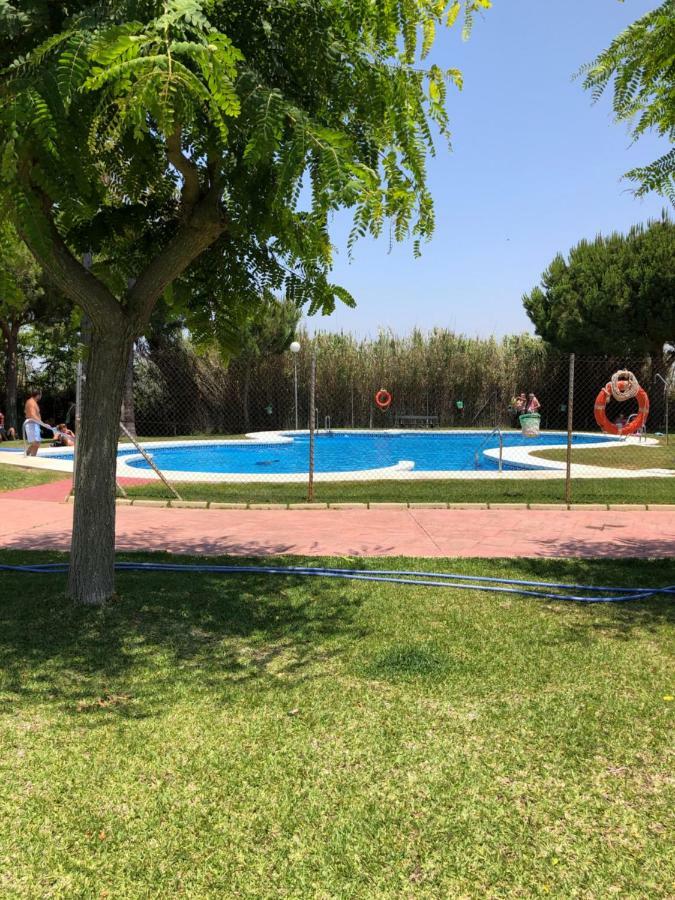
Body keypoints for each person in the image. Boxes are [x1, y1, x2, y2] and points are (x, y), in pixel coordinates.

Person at [23, 389, 43, 456]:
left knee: (36, 443)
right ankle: (32, 459)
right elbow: (32, 414)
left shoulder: (32, 402)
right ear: (38, 395)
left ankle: (26, 455)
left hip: (34, 424)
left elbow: (26, 412)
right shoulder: (31, 402)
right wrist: (41, 422)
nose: (41, 396)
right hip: (32, 424)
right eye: (40, 395)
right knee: (36, 443)